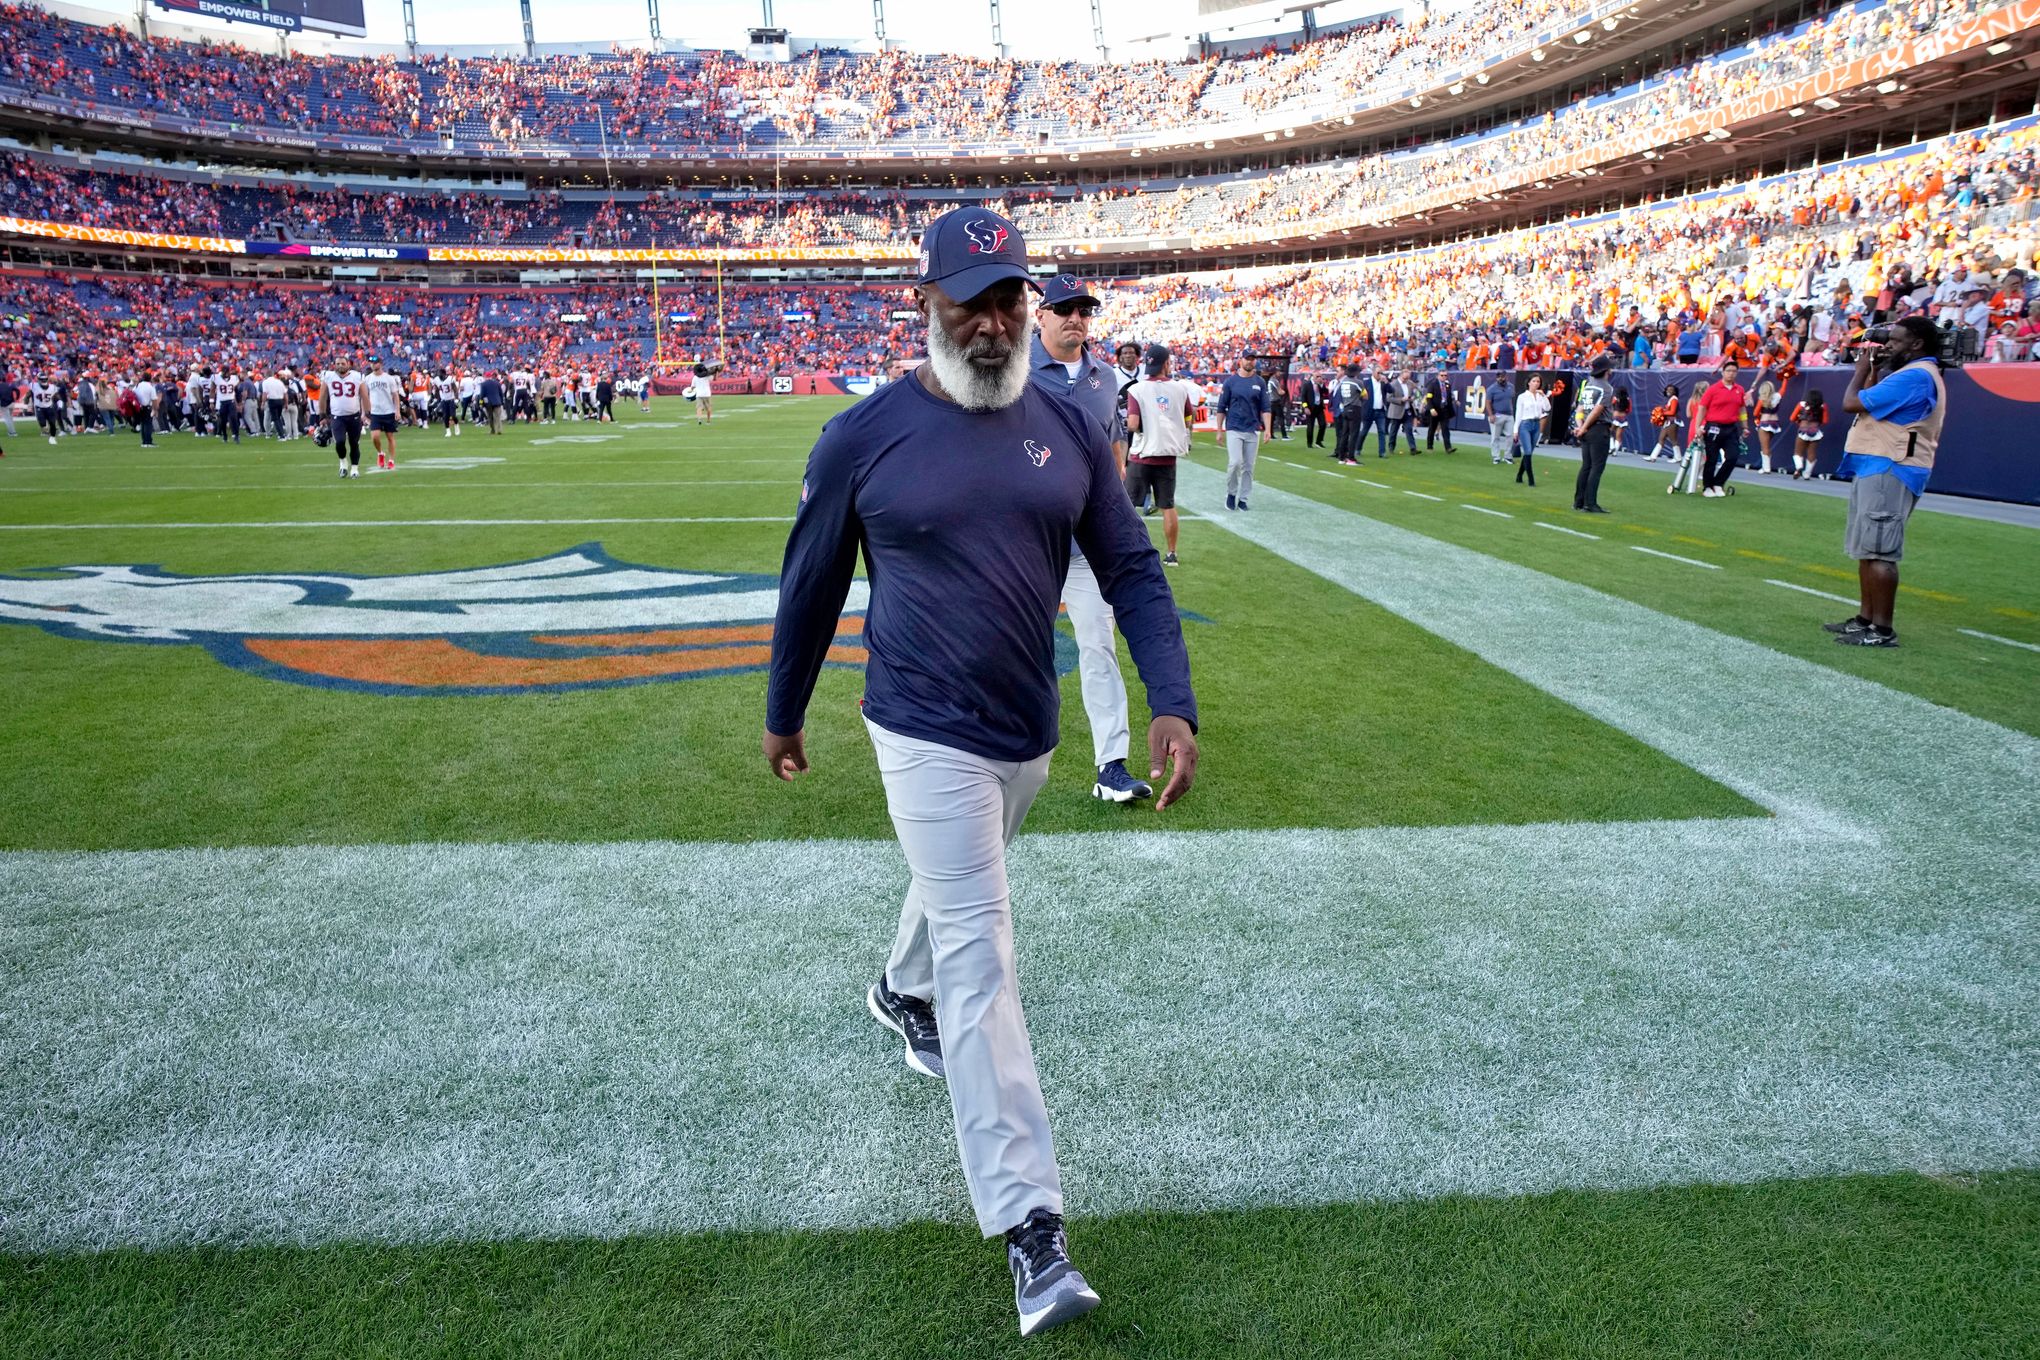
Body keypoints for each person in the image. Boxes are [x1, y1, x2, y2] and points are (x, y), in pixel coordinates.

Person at [763, 207, 1196, 1339]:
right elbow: (810, 583)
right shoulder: (863, 436)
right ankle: (1033, 1229)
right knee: (983, 953)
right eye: (972, 302)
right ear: (929, 306)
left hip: (1026, 733)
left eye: (1009, 299)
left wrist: (1173, 702)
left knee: (962, 883)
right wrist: (783, 710)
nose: (996, 322)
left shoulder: (1062, 420)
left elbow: (1132, 571)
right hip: (918, 723)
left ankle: (891, 988)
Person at [1027, 274, 1155, 803]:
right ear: (1042, 315)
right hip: (1025, 541)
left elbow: (1114, 454)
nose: (1075, 317)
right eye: (1064, 308)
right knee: (1007, 647)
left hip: (1084, 548)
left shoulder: (1106, 379)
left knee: (1099, 649)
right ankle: (996, 754)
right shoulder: (1012, 371)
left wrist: (1116, 516)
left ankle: (1112, 767)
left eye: (1084, 309)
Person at [1826, 317, 1946, 648]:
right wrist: (1875, 370)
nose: (1887, 345)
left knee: (1880, 552)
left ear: (1917, 344)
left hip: (1892, 468)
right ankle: (1866, 619)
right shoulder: (1913, 374)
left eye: (1895, 340)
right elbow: (1878, 404)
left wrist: (1861, 370)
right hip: (1879, 465)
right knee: (1868, 549)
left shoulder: (1916, 376)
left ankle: (1882, 630)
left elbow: (1852, 402)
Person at [1125, 343, 1197, 570]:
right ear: (1167, 364)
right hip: (1168, 455)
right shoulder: (1180, 389)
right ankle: (1171, 553)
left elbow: (1134, 424)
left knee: (1129, 507)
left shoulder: (1137, 389)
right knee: (1168, 505)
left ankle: (1127, 550)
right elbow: (1188, 418)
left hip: (1142, 454)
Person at [1214, 354, 1270, 509]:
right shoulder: (1231, 382)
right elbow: (1221, 407)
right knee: (1235, 462)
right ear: (1241, 361)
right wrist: (1219, 430)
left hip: (1252, 428)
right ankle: (1231, 494)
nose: (1249, 362)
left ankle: (1243, 498)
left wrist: (1268, 429)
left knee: (1249, 467)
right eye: (1247, 359)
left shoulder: (1260, 382)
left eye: (1252, 359)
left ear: (1255, 362)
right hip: (1234, 427)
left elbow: (1266, 407)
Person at [1692, 359, 1749, 498]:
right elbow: (1702, 408)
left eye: (1734, 371)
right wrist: (1698, 427)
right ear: (1723, 372)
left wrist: (1745, 426)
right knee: (1711, 458)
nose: (1731, 374)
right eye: (1728, 371)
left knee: (1733, 456)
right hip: (1714, 427)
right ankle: (1707, 486)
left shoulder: (1739, 390)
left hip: (1731, 428)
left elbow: (1742, 409)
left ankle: (1718, 483)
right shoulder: (1713, 389)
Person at [1571, 354, 1615, 514]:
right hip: (1598, 429)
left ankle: (1578, 501)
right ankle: (1591, 503)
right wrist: (1584, 427)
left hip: (1587, 429)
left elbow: (1580, 409)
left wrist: (1580, 426)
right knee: (1597, 467)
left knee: (1586, 466)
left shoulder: (1589, 386)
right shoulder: (1606, 388)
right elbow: (1597, 411)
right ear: (1606, 370)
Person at [321, 357, 366, 477]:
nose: (340, 365)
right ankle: (343, 462)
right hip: (337, 416)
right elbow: (322, 397)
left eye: (342, 363)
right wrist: (322, 415)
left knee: (354, 443)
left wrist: (367, 414)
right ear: (334, 365)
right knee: (339, 442)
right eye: (337, 363)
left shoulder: (357, 376)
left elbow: (364, 396)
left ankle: (355, 469)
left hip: (354, 416)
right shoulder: (328, 376)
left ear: (348, 365)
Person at [364, 357, 402, 471]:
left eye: (375, 363)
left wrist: (397, 410)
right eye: (371, 363)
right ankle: (380, 453)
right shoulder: (368, 379)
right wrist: (364, 412)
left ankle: (391, 460)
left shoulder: (389, 378)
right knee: (375, 437)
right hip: (375, 412)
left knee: (390, 437)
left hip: (388, 411)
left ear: (380, 364)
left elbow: (395, 395)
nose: (373, 365)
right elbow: (364, 396)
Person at [1512, 375, 1548, 486]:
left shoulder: (1540, 396)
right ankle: (1531, 479)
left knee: (1529, 452)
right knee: (1527, 451)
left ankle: (1519, 475)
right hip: (1525, 424)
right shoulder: (1522, 397)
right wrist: (1515, 430)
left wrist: (1544, 396)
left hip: (1536, 423)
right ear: (1529, 383)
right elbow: (1518, 414)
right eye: (1534, 381)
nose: (1536, 383)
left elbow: (1547, 408)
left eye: (1538, 381)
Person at [1789, 389, 1826, 479]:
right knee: (1812, 453)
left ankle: (1798, 467)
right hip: (1815, 432)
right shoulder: (1823, 406)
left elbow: (1792, 418)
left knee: (1798, 452)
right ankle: (1807, 474)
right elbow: (1825, 420)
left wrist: (1800, 422)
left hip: (1803, 430)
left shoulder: (1801, 405)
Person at [1332, 363, 1364, 464]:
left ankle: (1341, 457)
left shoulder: (1343, 382)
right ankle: (1351, 457)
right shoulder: (1358, 382)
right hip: (1354, 408)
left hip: (1345, 408)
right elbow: (1365, 395)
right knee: (1354, 434)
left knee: (1344, 434)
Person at [1420, 371, 1456, 452]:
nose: (1444, 377)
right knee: (1432, 428)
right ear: (1438, 376)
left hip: (1444, 409)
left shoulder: (1447, 385)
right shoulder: (1432, 385)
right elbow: (1429, 398)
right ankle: (1430, 446)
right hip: (1435, 409)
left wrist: (1454, 402)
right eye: (1442, 375)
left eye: (1445, 375)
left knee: (1445, 429)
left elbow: (1449, 397)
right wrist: (1431, 409)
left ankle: (1448, 447)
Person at [1647, 382, 1681, 461]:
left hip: (1672, 422)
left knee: (1673, 440)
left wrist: (1661, 413)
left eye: (1671, 390)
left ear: (1674, 391)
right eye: (1667, 390)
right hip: (1668, 422)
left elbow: (1672, 412)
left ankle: (1678, 457)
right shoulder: (1671, 399)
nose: (1668, 391)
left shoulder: (1674, 399)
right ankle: (1653, 457)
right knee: (1661, 438)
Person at [1485, 372, 1514, 464]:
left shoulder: (1511, 387)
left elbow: (1511, 399)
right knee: (1495, 437)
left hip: (1509, 414)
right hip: (1497, 414)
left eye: (1502, 376)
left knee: (1510, 436)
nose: (1501, 379)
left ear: (1506, 377)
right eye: (1499, 377)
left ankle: (1508, 456)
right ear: (1496, 378)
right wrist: (1491, 415)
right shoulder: (1492, 389)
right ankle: (1496, 456)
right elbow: (1488, 402)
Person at [1297, 371, 1326, 449]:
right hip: (1310, 408)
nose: (1319, 378)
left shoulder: (1320, 385)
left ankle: (1319, 441)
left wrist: (1322, 384)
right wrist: (1305, 407)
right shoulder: (1307, 385)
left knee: (1323, 424)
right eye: (1317, 376)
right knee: (1310, 426)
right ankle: (1309, 443)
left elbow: (1325, 393)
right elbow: (1303, 397)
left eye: (1320, 376)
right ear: (1313, 376)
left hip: (1319, 407)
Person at [132, 372, 158, 448]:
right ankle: (148, 441)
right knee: (148, 424)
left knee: (143, 424)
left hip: (138, 407)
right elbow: (154, 399)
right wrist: (155, 409)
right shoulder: (150, 387)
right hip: (147, 407)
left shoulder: (137, 386)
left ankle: (144, 441)